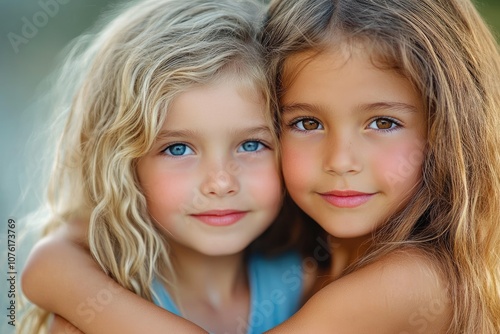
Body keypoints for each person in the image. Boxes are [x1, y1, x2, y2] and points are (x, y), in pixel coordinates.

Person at [19, 0, 314, 333]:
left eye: (251, 145)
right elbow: (43, 266)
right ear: (125, 163)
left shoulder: (307, 279)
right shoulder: (101, 302)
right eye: (178, 148)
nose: (220, 182)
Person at [260, 0, 500, 332]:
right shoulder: (297, 264)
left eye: (383, 123)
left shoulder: (412, 281)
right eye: (307, 124)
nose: (341, 162)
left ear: (446, 131)